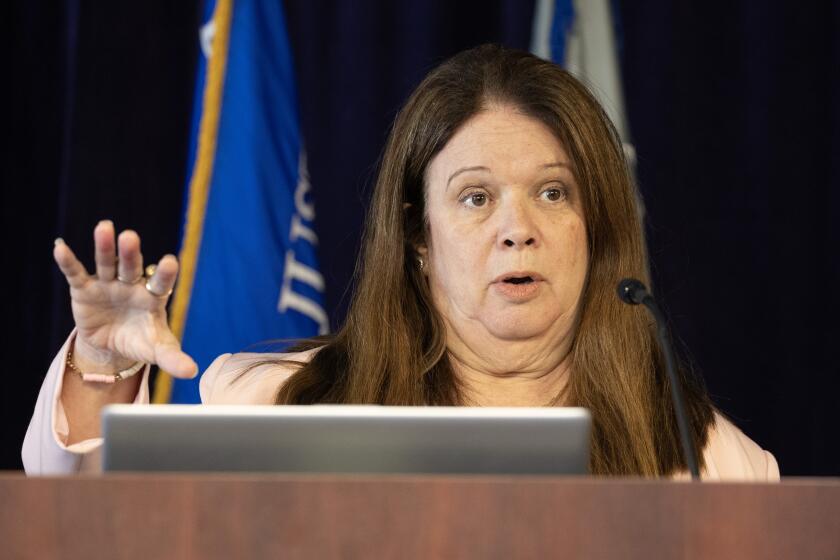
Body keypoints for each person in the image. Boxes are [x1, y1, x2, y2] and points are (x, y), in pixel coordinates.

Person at [23, 44, 779, 479]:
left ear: (597, 225)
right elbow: (92, 527)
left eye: (553, 193)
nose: (517, 230)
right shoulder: (274, 406)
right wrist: (101, 372)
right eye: (476, 198)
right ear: (419, 238)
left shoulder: (711, 461)